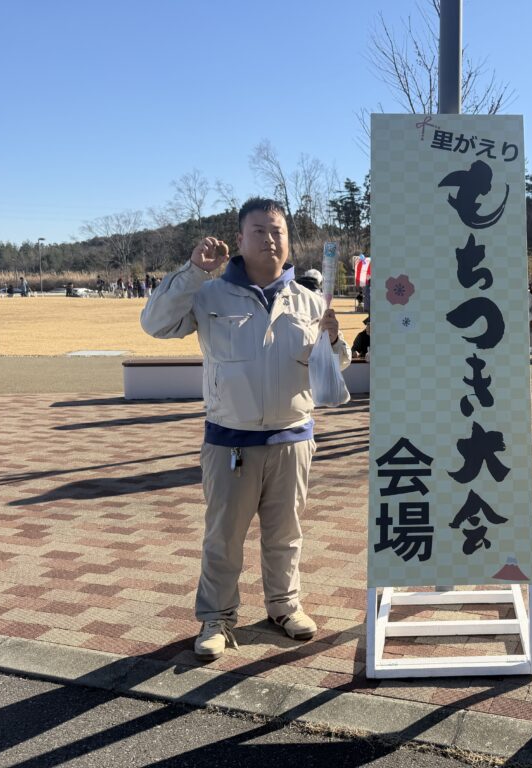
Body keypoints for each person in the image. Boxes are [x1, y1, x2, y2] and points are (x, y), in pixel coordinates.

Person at [141, 197, 350, 661]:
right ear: (239, 239)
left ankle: (284, 605)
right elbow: (154, 323)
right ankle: (216, 618)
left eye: (278, 231)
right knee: (223, 538)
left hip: (292, 437)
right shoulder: (209, 294)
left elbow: (331, 371)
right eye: (259, 231)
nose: (270, 240)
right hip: (230, 439)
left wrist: (335, 341)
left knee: (286, 534)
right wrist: (193, 271)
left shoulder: (309, 301)